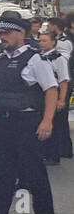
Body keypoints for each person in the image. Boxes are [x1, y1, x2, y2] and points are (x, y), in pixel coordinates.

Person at [0, 11, 58, 214]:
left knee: (33, 171)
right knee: (2, 171)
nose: (2, 37)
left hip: (26, 121)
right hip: (2, 122)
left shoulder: (35, 58)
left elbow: (51, 89)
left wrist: (47, 121)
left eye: (7, 33)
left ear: (20, 33)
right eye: (0, 32)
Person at [38, 28, 71, 166]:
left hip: (54, 94)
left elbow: (63, 81)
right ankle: (43, 152)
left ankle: (53, 154)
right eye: (39, 40)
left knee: (54, 126)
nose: (41, 43)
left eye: (45, 41)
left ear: (53, 42)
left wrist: (61, 99)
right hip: (40, 95)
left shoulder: (59, 59)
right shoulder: (38, 57)